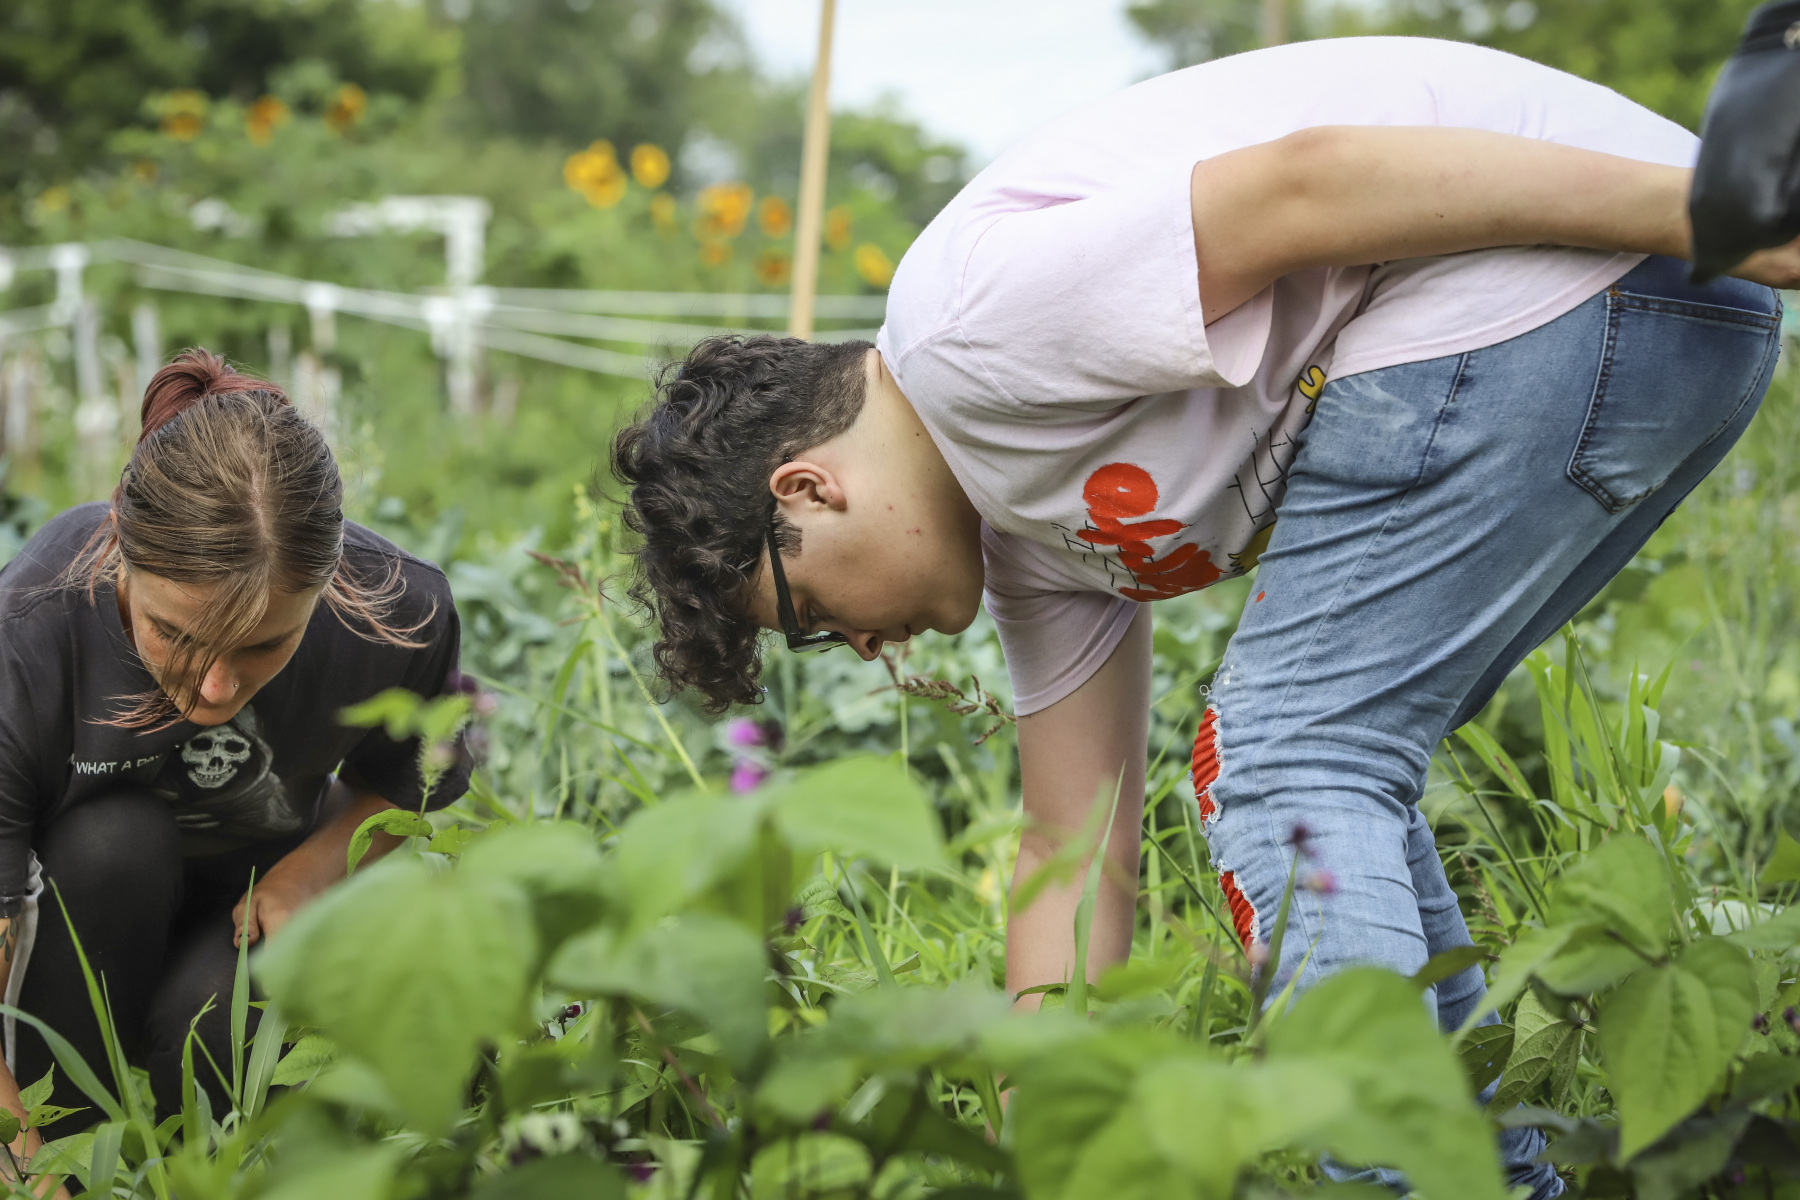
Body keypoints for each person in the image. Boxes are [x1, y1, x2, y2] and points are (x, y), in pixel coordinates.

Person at [611, 38, 1797, 1196]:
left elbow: (1307, 183)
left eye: (811, 613)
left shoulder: (970, 335)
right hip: (1662, 322)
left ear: (807, 491)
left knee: (1286, 761)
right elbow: (1072, 858)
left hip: (1590, 268)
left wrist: (1712, 210)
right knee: (1336, 763)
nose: (861, 649)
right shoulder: (1028, 533)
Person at [0, 349, 470, 1158]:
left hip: (247, 896)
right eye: (175, 634)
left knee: (215, 1035)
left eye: (263, 645)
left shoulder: (397, 610)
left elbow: (409, 784)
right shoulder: (28, 638)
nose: (215, 685)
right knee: (114, 840)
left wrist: (318, 868)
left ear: (326, 585)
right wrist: (30, 1166)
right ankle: (81, 1139)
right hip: (80, 913)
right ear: (120, 540)